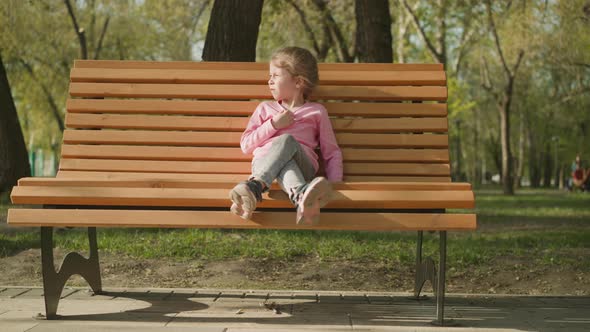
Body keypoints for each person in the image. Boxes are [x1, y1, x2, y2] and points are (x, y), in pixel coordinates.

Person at [228, 46, 343, 225]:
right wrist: (273, 125)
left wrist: (335, 184)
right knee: (284, 151)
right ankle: (301, 196)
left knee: (287, 141)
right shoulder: (265, 109)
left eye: (275, 76)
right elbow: (246, 145)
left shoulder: (317, 112)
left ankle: (255, 186)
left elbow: (331, 152)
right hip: (265, 163)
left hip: (303, 165)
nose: (269, 81)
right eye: (269, 76)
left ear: (298, 82)